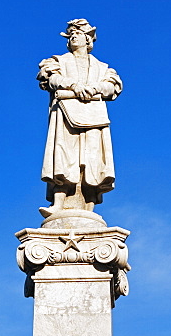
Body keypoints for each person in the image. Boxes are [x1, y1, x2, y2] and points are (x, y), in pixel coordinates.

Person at [38, 19, 122, 216]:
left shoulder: (102, 67)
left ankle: (88, 208)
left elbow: (113, 86)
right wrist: (73, 86)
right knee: (64, 156)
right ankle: (58, 204)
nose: (74, 36)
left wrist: (94, 88)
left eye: (78, 33)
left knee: (92, 161)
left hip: (94, 117)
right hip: (66, 115)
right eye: (71, 34)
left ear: (87, 39)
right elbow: (49, 77)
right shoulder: (58, 61)